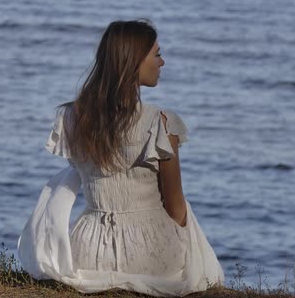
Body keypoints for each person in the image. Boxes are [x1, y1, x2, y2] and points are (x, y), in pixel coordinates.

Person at [17, 19, 224, 296]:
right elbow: (176, 208)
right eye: (157, 54)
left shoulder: (72, 118)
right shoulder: (160, 123)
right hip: (151, 253)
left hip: (89, 251)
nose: (162, 63)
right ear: (134, 61)